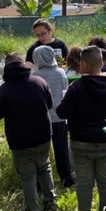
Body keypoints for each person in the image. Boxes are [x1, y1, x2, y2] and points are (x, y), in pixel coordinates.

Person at [56, 46, 106, 211]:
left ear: (84, 64)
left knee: (85, 184)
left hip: (81, 143)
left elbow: (61, 112)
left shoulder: (76, 86)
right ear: (102, 63)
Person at [0, 53, 58, 211]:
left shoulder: (3, 90)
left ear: (6, 69)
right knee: (44, 168)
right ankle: (52, 205)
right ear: (24, 65)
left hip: (19, 140)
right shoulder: (39, 82)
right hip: (43, 135)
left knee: (27, 177)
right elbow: (49, 104)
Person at [32, 45, 74, 188]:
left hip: (43, 118)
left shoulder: (35, 76)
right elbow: (65, 93)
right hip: (60, 116)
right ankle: (66, 177)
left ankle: (41, 181)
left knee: (42, 151)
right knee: (61, 148)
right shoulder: (61, 73)